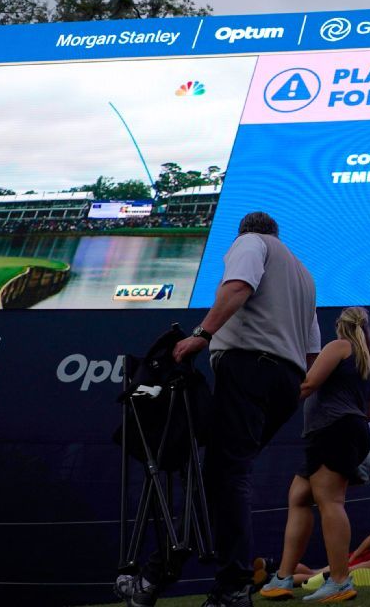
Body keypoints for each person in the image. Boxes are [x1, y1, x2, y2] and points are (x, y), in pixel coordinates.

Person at [117, 211, 322, 607]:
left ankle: (232, 585)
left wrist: (201, 334)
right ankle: (157, 575)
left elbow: (238, 288)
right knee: (218, 480)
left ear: (244, 232)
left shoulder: (250, 244)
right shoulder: (304, 276)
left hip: (251, 368)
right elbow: (312, 346)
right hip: (285, 381)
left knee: (226, 478)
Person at [259, 307, 370, 602]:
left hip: (333, 430)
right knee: (299, 497)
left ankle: (340, 581)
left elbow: (309, 384)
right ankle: (283, 578)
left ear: (341, 326)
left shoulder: (338, 346)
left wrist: (269, 405)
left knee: (331, 501)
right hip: (346, 431)